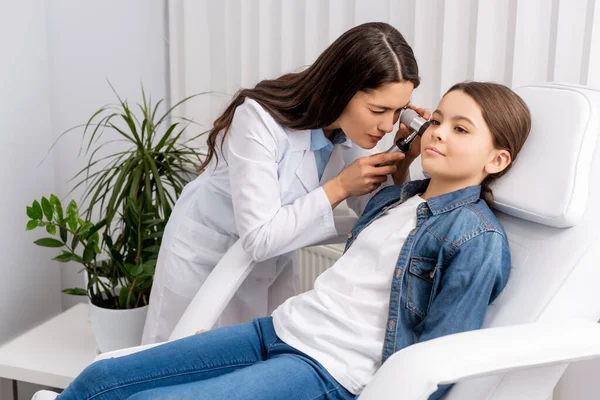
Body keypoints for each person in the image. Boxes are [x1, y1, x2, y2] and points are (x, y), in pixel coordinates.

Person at [53, 81, 531, 400]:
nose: (438, 134)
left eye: (460, 129)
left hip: (327, 369)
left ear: (497, 160)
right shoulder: (395, 201)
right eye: (438, 120)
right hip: (278, 331)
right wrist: (399, 163)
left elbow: (439, 359)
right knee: (103, 378)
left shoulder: (476, 238)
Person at [142, 22, 426, 344]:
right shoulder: (258, 119)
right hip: (206, 255)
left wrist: (402, 159)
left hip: (272, 261)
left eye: (398, 111)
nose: (388, 125)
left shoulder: (354, 128)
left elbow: (370, 209)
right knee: (178, 365)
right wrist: (339, 187)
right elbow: (260, 238)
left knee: (248, 367)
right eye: (378, 110)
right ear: (342, 90)